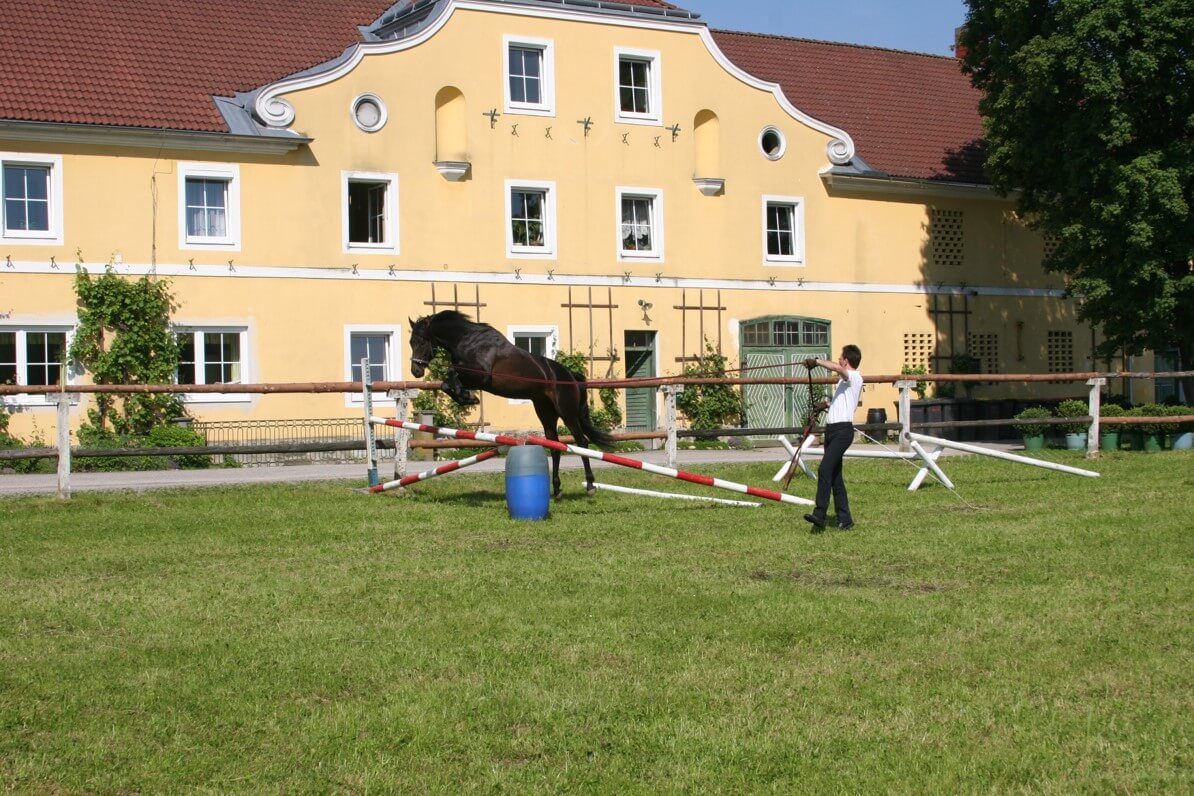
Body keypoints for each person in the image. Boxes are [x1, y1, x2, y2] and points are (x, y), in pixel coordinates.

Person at [802, 345, 863, 530]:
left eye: (840, 357)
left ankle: (820, 514)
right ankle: (845, 520)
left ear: (846, 360)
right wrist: (826, 405)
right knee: (835, 477)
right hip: (832, 431)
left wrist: (816, 361)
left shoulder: (854, 376)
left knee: (824, 469)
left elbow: (837, 369)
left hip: (842, 432)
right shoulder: (844, 384)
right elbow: (843, 402)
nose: (838, 360)